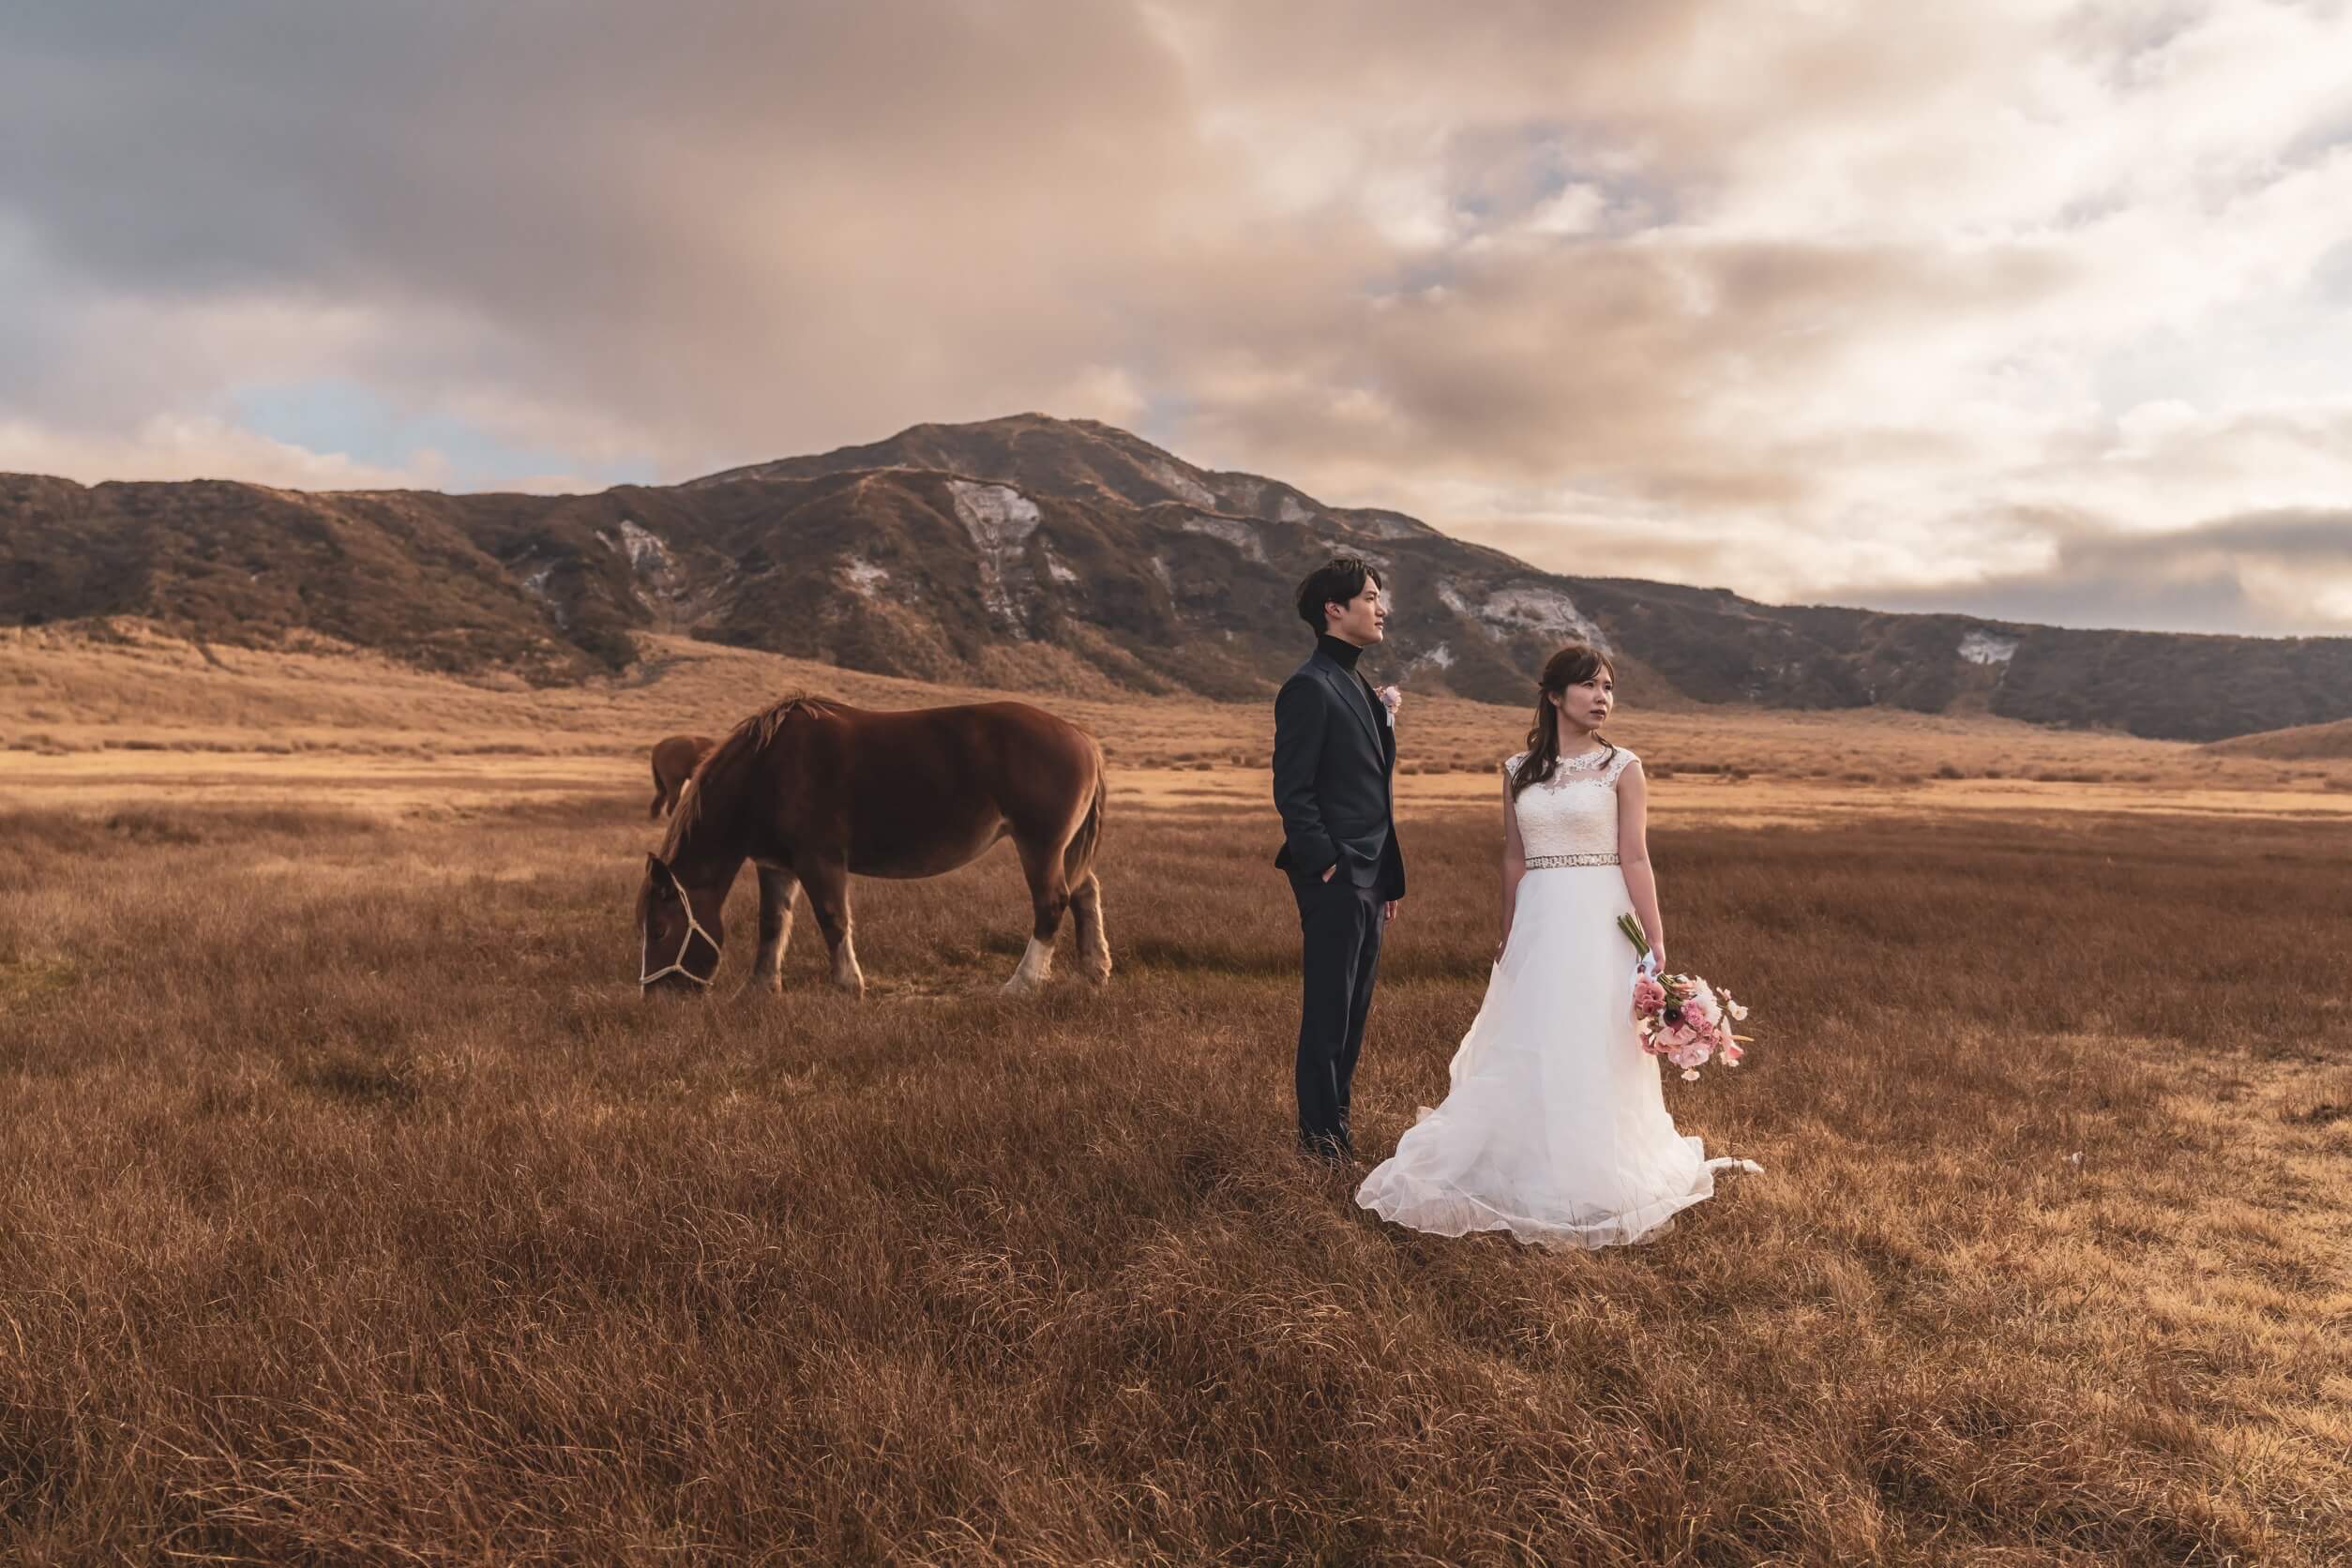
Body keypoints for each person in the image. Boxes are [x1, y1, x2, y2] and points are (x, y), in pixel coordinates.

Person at [1354, 642, 1758, 1245]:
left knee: (1595, 1039)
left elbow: (1636, 855)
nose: (1603, 698)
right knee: (1532, 1035)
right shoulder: (1519, 770)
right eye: (1590, 686)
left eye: (1609, 687)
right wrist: (1510, 929)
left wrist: (1655, 935)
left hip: (1601, 915)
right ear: (1554, 696)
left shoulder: (1624, 766)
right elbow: (1514, 857)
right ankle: (1525, 1163)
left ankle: (1597, 1170)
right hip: (1541, 919)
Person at [1272, 557, 1407, 1165]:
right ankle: (1320, 1149)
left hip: (1370, 878)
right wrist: (1326, 865)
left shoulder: (1354, 686)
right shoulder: (1308, 685)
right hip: (1337, 878)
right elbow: (1293, 791)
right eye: (1371, 597)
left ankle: (1337, 1135)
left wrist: (1384, 878)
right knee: (1328, 1018)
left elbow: (1369, 783)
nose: (1382, 609)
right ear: (1335, 608)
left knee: (1353, 1017)